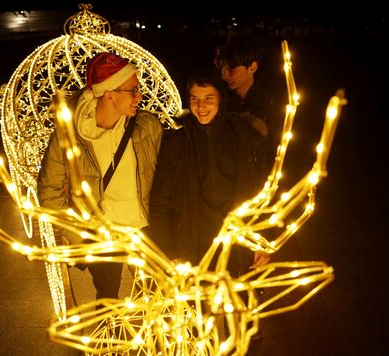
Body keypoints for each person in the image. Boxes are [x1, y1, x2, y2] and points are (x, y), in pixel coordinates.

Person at [37, 52, 163, 301]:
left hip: (143, 229)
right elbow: (49, 191)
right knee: (108, 302)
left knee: (153, 298)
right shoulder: (68, 133)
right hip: (102, 236)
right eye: (133, 90)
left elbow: (167, 176)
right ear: (109, 94)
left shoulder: (147, 127)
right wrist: (81, 237)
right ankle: (110, 339)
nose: (139, 96)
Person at [148, 66, 270, 271]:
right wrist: (170, 251)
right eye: (194, 98)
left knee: (236, 302)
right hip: (193, 251)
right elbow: (160, 203)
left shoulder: (243, 138)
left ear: (221, 99)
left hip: (236, 249)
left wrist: (261, 240)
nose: (201, 106)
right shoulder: (176, 144)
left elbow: (261, 192)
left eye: (208, 98)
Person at [215, 33, 285, 160]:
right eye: (223, 69)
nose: (224, 76)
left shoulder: (271, 104)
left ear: (252, 67)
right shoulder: (222, 98)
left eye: (231, 70)